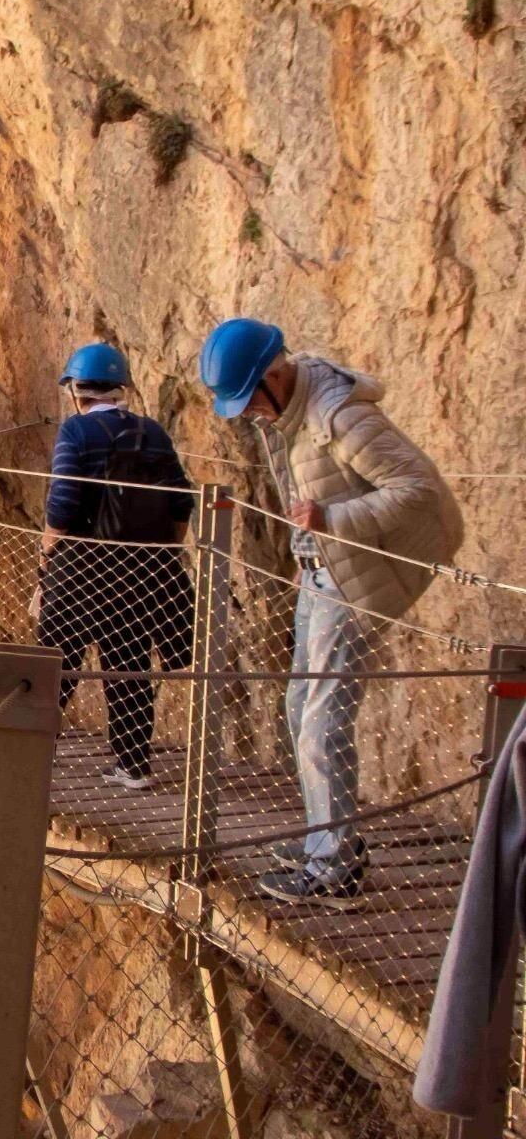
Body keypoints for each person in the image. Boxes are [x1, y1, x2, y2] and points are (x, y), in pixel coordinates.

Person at [199, 318, 464, 908]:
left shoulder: (340, 418)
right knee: (300, 706)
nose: (249, 414)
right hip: (325, 568)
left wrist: (330, 523)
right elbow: (313, 489)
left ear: (273, 376)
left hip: (356, 578)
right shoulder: (292, 412)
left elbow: (416, 488)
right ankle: (327, 838)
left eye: (248, 400)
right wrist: (308, 551)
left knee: (323, 719)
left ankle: (334, 869)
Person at [35, 344, 194, 791]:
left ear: (76, 390)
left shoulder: (77, 432)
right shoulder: (152, 432)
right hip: (140, 567)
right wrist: (164, 550)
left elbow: (63, 504)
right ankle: (133, 764)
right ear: (121, 386)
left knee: (54, 661)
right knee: (128, 662)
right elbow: (182, 501)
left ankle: (32, 749)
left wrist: (47, 552)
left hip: (82, 563)